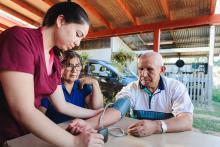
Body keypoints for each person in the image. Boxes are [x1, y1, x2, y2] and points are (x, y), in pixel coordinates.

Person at [0, 2, 104, 147]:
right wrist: (74, 142)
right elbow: (22, 110)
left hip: (24, 136)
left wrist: (96, 113)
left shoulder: (54, 61)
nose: (78, 43)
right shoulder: (20, 39)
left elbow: (63, 105)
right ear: (60, 21)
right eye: (78, 34)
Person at [67, 52, 194, 137]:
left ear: (162, 70)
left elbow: (186, 121)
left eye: (149, 69)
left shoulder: (176, 88)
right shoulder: (132, 88)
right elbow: (117, 110)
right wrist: (88, 124)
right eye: (140, 69)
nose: (143, 75)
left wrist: (156, 126)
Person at [39, 50, 103, 123]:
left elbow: (97, 107)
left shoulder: (81, 85)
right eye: (69, 66)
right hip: (57, 130)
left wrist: (95, 83)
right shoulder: (52, 86)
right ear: (60, 67)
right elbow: (38, 120)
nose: (74, 70)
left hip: (78, 128)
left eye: (77, 66)